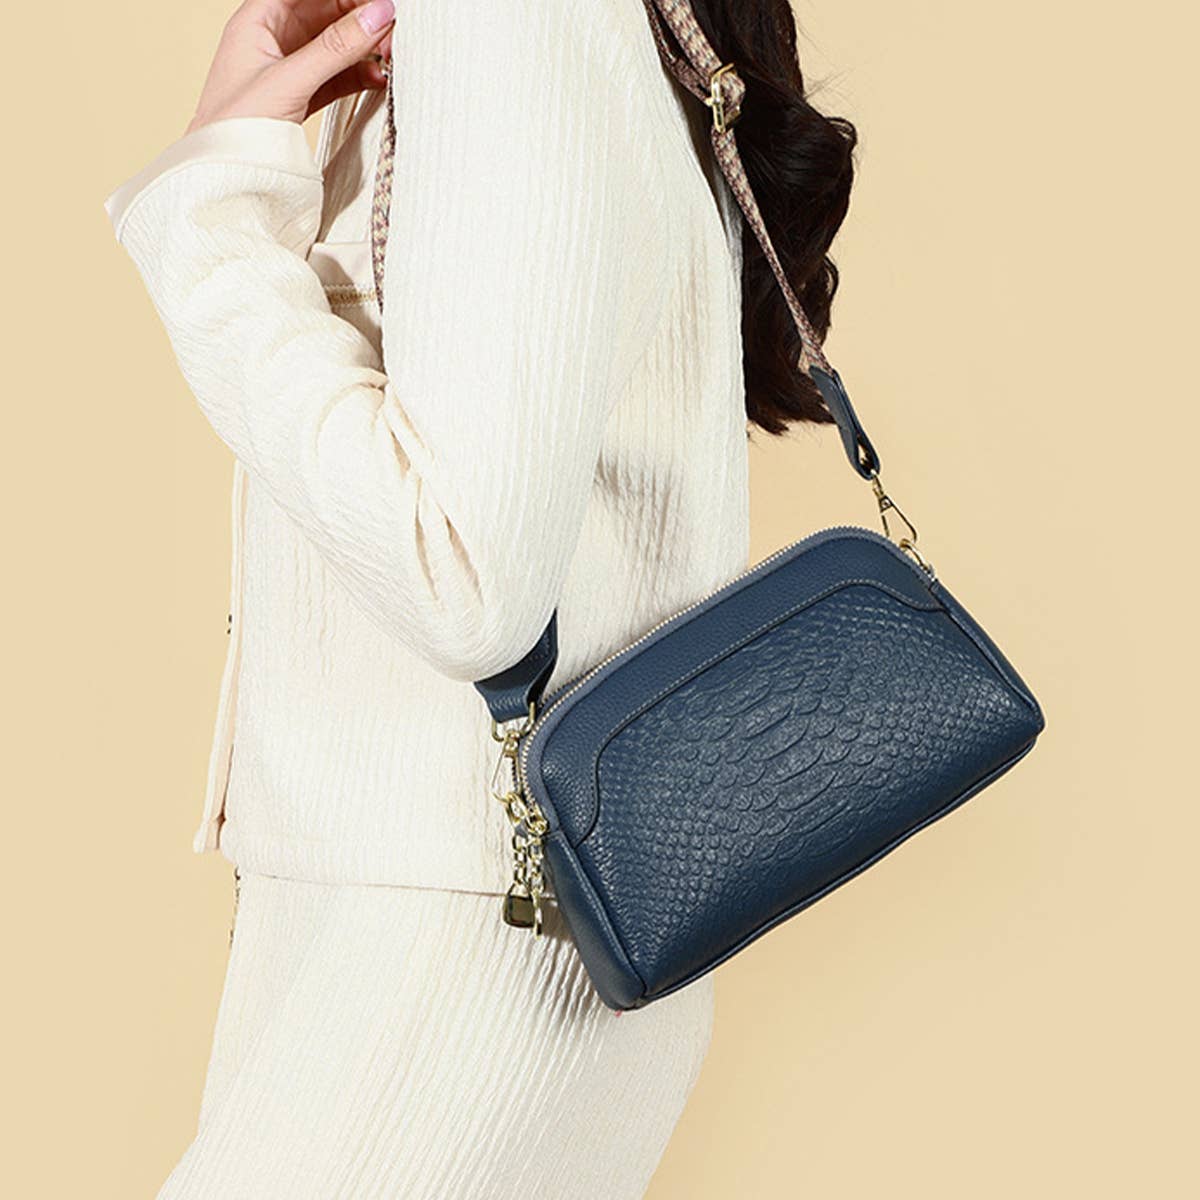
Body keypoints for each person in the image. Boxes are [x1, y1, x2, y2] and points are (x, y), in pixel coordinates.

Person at [103, 0, 855, 1195]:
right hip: (470, 919)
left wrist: (209, 224)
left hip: (456, 939)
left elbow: (463, 579)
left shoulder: (511, 20)